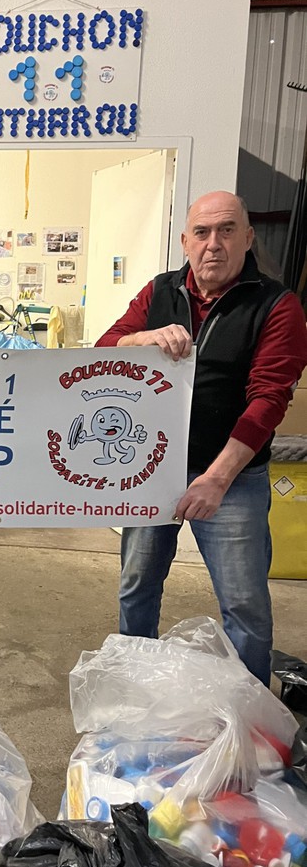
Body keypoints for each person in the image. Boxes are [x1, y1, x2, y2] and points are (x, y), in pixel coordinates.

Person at [96, 190, 307, 685]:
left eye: (227, 230)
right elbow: (105, 347)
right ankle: (135, 688)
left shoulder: (277, 305)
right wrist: (142, 338)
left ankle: (251, 712)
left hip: (232, 480)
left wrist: (216, 479)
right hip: (153, 471)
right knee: (136, 586)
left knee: (244, 603)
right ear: (185, 241)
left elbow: (268, 400)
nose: (214, 244)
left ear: (248, 238)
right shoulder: (159, 292)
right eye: (203, 232)